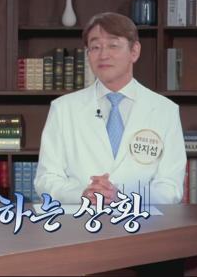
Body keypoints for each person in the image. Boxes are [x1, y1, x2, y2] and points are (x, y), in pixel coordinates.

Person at [34, 12, 186, 204]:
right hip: (81, 217)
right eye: (95, 47)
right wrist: (83, 194)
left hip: (140, 219)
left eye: (113, 45)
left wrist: (121, 196)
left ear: (134, 51)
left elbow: (170, 187)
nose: (103, 55)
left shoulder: (165, 110)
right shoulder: (63, 108)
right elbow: (46, 179)